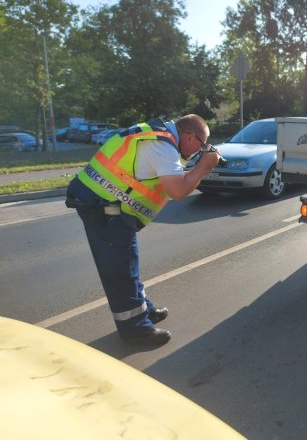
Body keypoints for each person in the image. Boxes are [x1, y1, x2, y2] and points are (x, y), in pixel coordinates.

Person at [65, 114, 221, 346]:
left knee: (128, 259)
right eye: (202, 143)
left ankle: (142, 309)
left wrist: (199, 166)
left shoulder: (159, 137)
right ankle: (135, 329)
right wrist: (204, 167)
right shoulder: (161, 147)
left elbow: (176, 179)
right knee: (119, 269)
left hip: (110, 205)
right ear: (189, 136)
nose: (201, 149)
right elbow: (178, 191)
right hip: (103, 207)